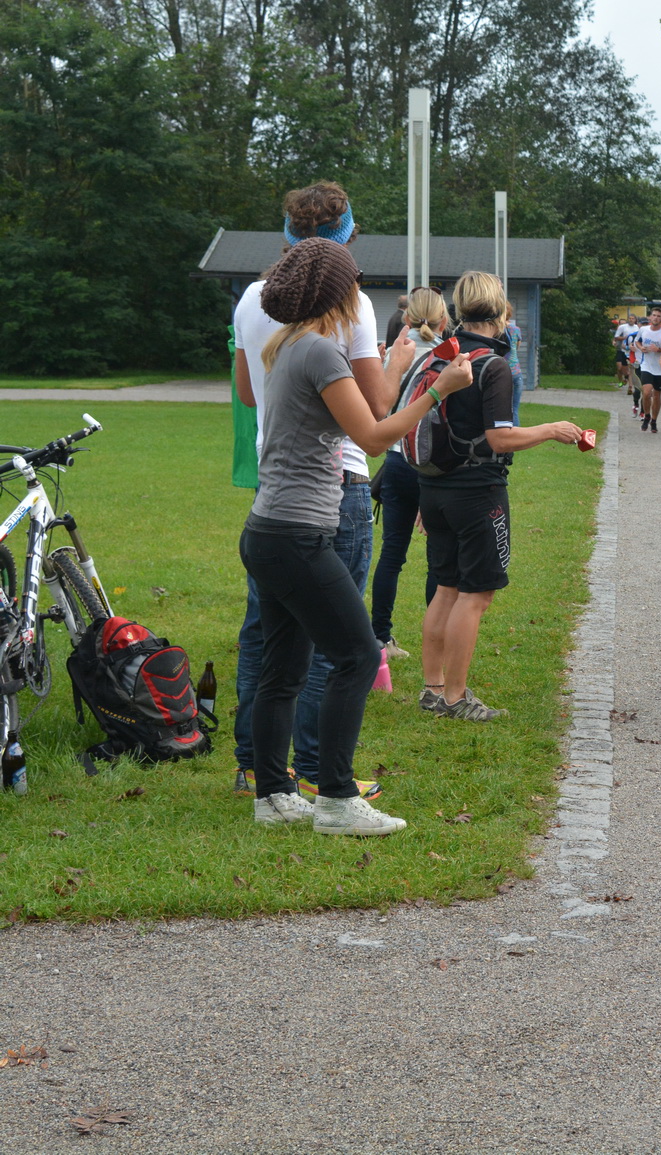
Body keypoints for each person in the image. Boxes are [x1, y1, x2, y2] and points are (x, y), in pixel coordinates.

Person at [244, 238, 474, 834]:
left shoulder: (287, 344)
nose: (362, 291)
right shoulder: (319, 351)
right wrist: (438, 391)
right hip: (297, 535)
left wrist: (396, 366)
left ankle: (272, 794)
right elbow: (374, 438)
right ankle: (338, 801)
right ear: (338, 292)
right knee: (356, 655)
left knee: (284, 667)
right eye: (356, 282)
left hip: (269, 529)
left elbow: (364, 412)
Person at [231, 181, 392, 803]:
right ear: (349, 235)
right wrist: (404, 366)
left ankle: (260, 771)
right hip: (335, 482)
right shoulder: (348, 302)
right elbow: (375, 415)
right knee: (340, 643)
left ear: (287, 236)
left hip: (271, 488)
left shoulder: (252, 297)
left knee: (267, 638)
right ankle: (328, 775)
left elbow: (249, 394)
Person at [419, 271, 584, 722]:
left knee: (446, 587)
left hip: (434, 487)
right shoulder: (493, 365)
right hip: (477, 492)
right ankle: (456, 697)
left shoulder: (442, 356)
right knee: (476, 594)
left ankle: (432, 689)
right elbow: (499, 439)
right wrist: (552, 430)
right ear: (498, 310)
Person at [371, 286, 448, 662]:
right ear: (444, 319)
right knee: (438, 557)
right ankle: (436, 643)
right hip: (429, 464)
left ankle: (379, 637)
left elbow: (379, 408)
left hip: (396, 461)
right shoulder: (449, 356)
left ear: (406, 318)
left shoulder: (394, 355)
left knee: (392, 554)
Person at [635, 307, 661, 433]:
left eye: (658, 316)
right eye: (654, 315)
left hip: (660, 367)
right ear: (650, 317)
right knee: (647, 392)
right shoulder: (643, 330)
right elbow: (637, 342)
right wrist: (641, 348)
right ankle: (646, 416)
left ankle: (654, 421)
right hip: (646, 366)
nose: (655, 318)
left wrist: (659, 350)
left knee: (657, 395)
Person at [503, 300, 525, 423]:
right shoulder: (516, 329)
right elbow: (516, 347)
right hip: (516, 372)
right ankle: (516, 437)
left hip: (502, 373)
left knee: (501, 409)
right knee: (514, 409)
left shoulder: (496, 330)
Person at [614, 313, 637, 388]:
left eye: (632, 318)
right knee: (620, 368)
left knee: (630, 368)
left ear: (635, 320)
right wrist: (624, 338)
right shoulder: (623, 327)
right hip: (622, 349)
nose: (631, 320)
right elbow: (616, 337)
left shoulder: (637, 328)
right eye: (629, 318)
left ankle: (629, 383)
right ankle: (621, 380)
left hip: (632, 351)